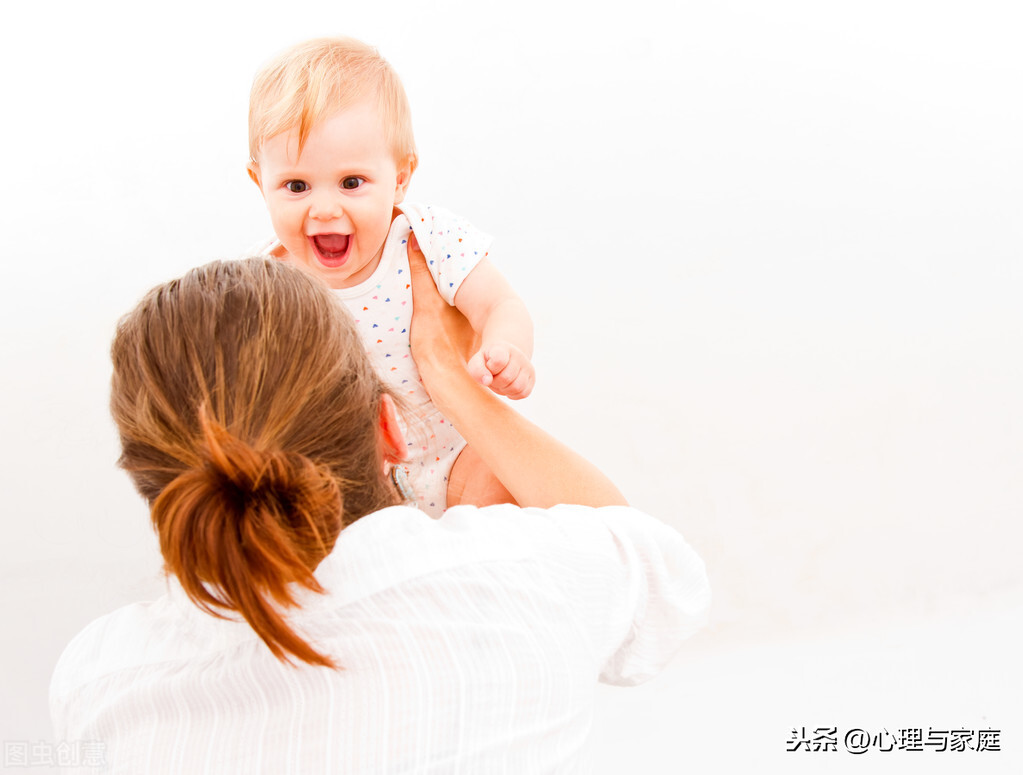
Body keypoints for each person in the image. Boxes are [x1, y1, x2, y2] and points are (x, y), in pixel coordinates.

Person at [49, 245, 710, 773]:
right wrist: (449, 381)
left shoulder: (96, 682)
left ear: (153, 485)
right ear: (389, 426)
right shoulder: (519, 578)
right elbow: (658, 573)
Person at [247, 36, 534, 516]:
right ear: (260, 183)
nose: (324, 208)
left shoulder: (427, 238)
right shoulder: (262, 283)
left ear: (401, 176)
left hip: (454, 456)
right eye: (296, 186)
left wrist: (506, 351)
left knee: (510, 491)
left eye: (351, 183)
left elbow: (498, 305)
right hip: (344, 481)